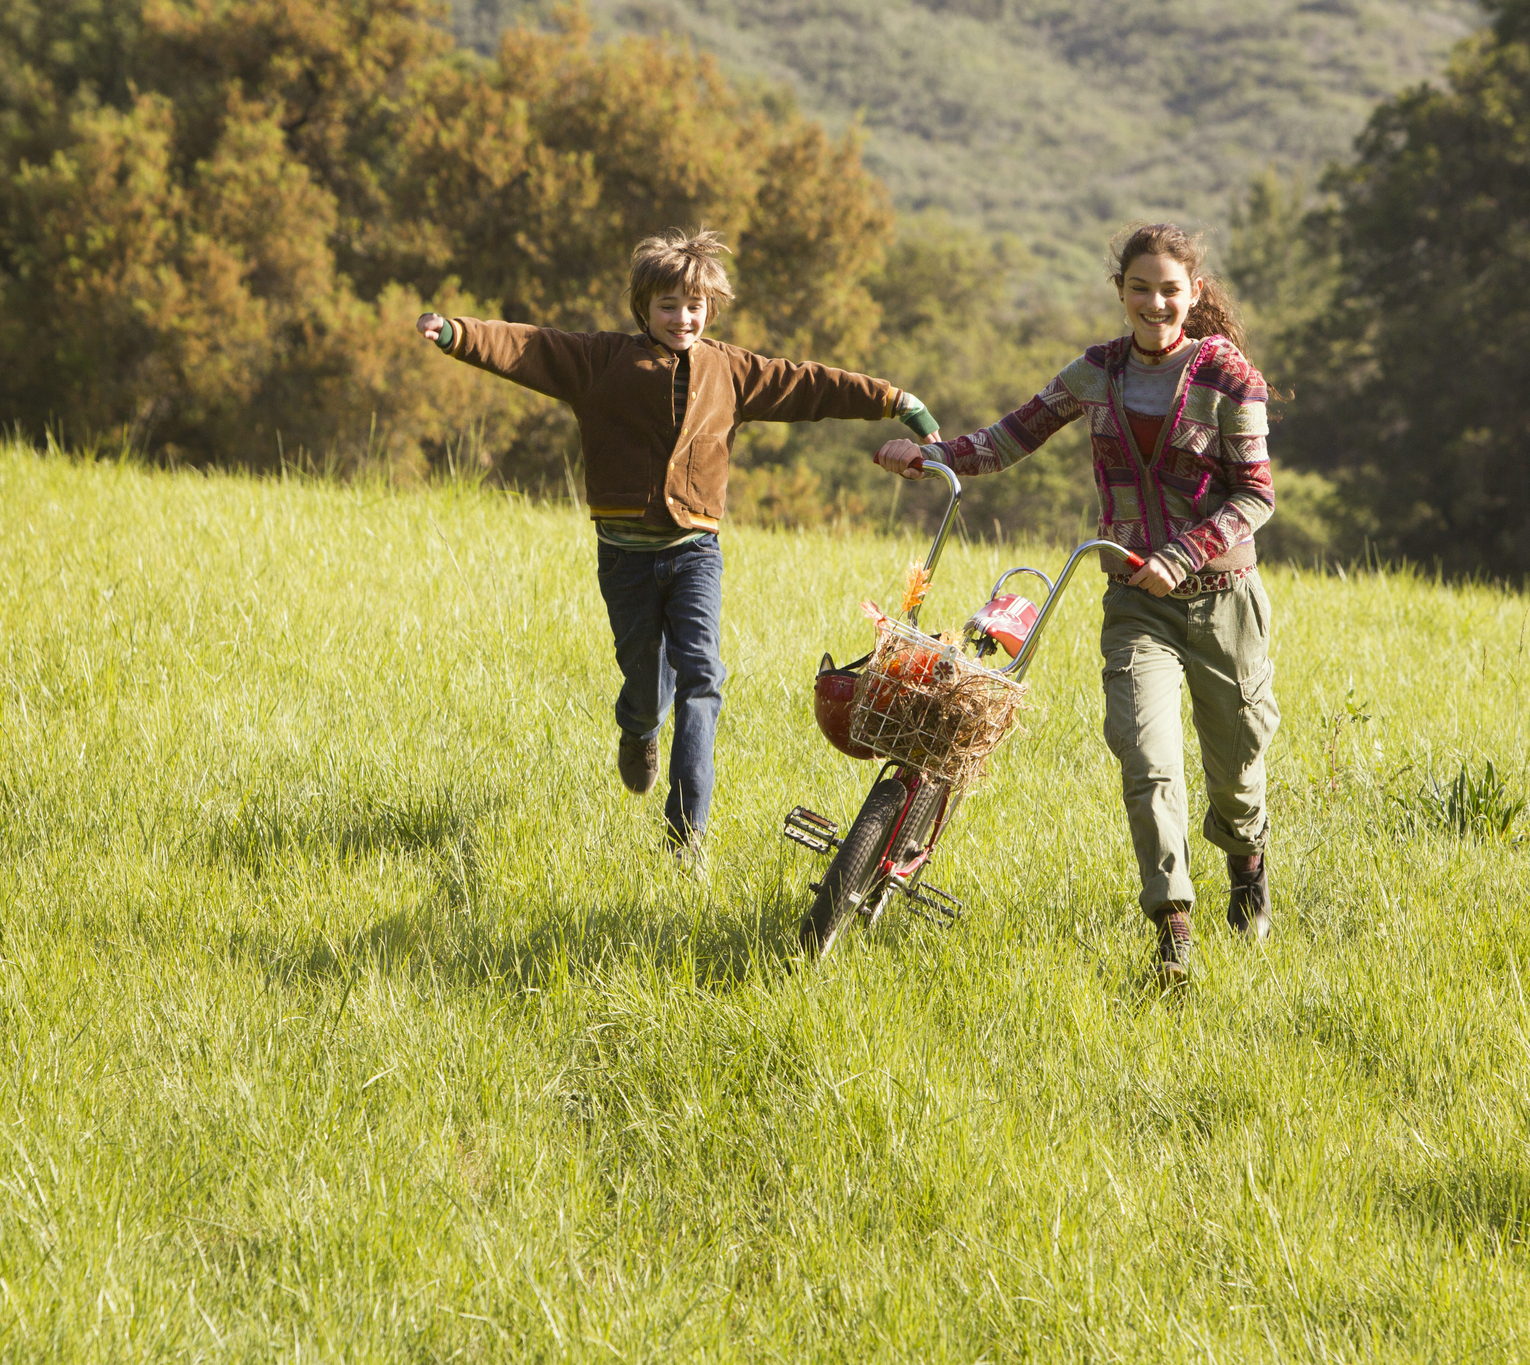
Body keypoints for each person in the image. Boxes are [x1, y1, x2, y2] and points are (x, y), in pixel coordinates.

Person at [418, 228, 940, 861]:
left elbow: (810, 384)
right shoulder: (600, 361)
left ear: (710, 309)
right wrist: (456, 333)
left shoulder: (733, 370)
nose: (682, 318)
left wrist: (894, 400)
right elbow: (529, 346)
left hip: (695, 551)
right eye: (669, 306)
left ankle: (686, 834)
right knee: (645, 680)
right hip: (626, 555)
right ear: (645, 308)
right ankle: (638, 727)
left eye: (694, 306)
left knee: (703, 676)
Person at [873, 222, 1280, 979]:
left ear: (1193, 294)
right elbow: (1008, 438)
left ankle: (1247, 861)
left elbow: (1257, 495)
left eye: (1170, 290)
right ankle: (1173, 927)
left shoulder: (1230, 378)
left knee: (1238, 769)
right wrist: (930, 456)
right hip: (1136, 604)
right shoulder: (1095, 374)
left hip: (1224, 598)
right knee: (1145, 755)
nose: (1155, 303)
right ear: (1119, 292)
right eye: (1140, 289)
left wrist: (1184, 552)